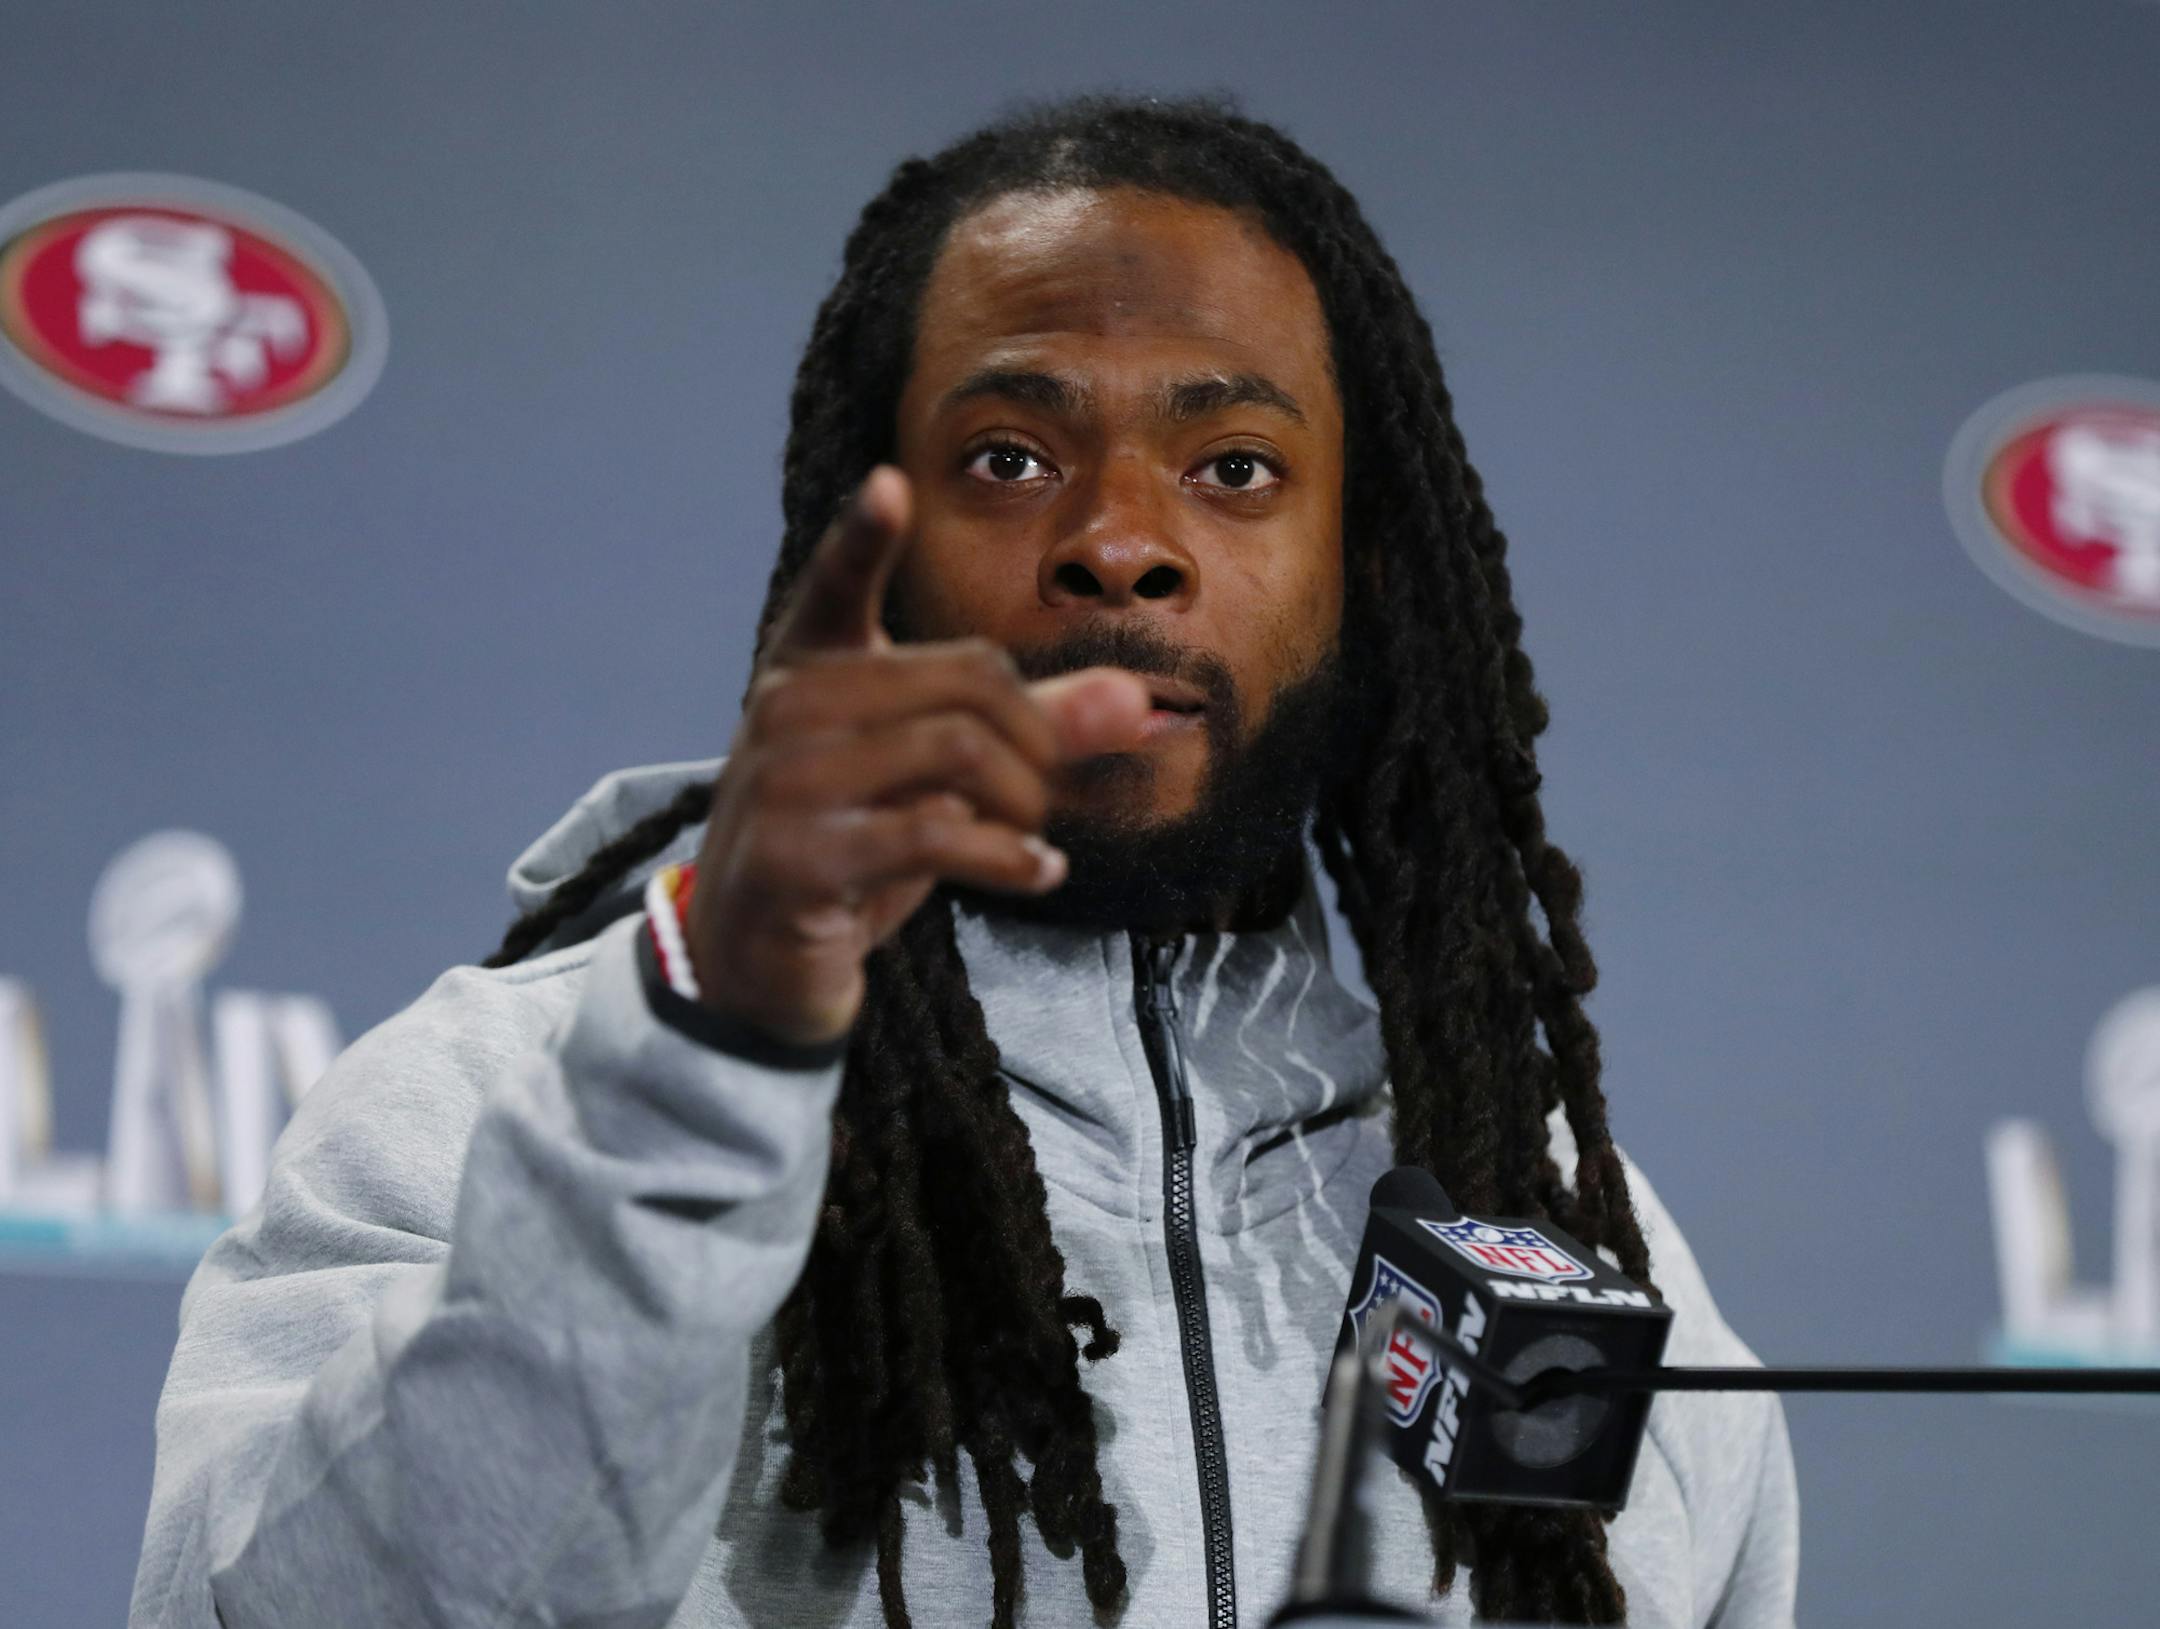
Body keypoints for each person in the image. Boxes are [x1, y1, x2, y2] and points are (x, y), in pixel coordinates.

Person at [128, 95, 1797, 1629]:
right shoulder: (495, 1107)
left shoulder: (1570, 1224)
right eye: (1011, 456)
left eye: (1234, 468)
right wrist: (708, 1073)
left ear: (1361, 575)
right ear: (866, 531)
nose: (1122, 543)